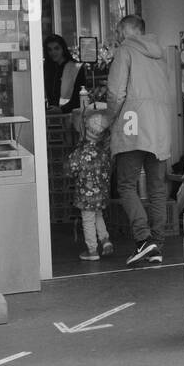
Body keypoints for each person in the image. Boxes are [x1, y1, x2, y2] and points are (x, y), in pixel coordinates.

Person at [105, 15, 174, 266]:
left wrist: (106, 119)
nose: (116, 34)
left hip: (133, 126)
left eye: (118, 29)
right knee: (157, 189)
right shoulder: (160, 55)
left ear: (127, 30)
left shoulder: (125, 51)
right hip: (159, 128)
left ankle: (144, 240)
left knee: (126, 185)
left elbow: (115, 93)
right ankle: (158, 245)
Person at [67, 110, 114, 261]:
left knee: (88, 220)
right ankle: (105, 240)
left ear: (86, 130)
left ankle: (92, 250)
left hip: (86, 195)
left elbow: (71, 169)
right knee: (98, 215)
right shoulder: (103, 152)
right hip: (101, 193)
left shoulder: (80, 152)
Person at [43, 34, 86, 113]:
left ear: (63, 49)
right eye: (50, 49)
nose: (53, 52)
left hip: (69, 116)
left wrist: (62, 109)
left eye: (56, 48)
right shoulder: (47, 68)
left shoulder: (76, 68)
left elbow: (79, 97)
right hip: (50, 116)